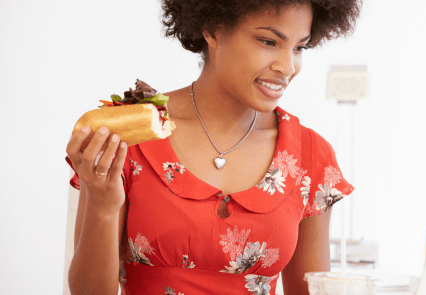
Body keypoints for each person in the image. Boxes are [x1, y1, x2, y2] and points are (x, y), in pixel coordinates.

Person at [65, 1, 361, 294]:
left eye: (299, 48)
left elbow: (310, 291)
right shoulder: (132, 134)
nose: (288, 67)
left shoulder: (311, 155)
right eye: (269, 41)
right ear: (213, 30)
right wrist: (102, 207)